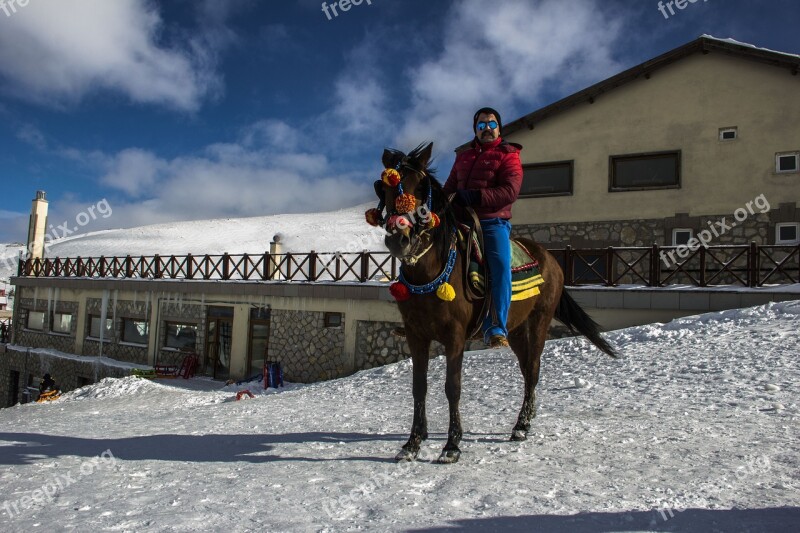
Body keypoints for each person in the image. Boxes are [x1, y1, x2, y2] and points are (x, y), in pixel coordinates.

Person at [443, 107, 523, 348]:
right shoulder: (463, 157)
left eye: (491, 124)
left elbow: (510, 191)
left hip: (491, 221)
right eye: (481, 125)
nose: (486, 129)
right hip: (459, 220)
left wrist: (475, 197)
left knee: (499, 267)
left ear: (499, 127)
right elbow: (448, 189)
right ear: (475, 130)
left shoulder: (509, 155)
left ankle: (496, 326)